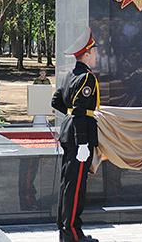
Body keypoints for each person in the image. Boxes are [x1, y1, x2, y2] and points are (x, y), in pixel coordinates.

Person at [51, 29, 101, 242]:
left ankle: (67, 228)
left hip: (70, 132)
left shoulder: (70, 75)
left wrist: (70, 117)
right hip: (80, 136)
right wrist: (82, 142)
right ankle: (71, 231)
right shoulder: (86, 78)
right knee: (76, 185)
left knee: (69, 183)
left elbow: (56, 102)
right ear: (87, 54)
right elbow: (81, 111)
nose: (97, 56)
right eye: (95, 52)